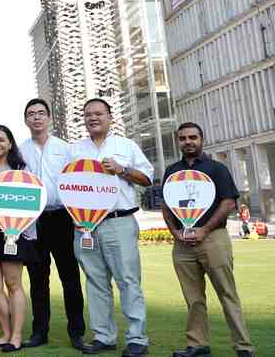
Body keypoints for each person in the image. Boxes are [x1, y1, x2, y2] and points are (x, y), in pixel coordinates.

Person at [70, 98, 154, 357]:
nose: (93, 118)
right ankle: (103, 337)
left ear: (110, 117)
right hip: (85, 226)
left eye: (98, 113)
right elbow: (65, 184)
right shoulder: (74, 149)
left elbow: (147, 178)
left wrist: (122, 169)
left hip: (119, 221)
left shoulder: (125, 146)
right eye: (88, 114)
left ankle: (137, 338)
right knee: (95, 282)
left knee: (128, 280)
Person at [163, 123, 255, 357]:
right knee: (193, 298)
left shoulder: (217, 169)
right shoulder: (172, 171)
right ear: (178, 142)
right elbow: (166, 205)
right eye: (183, 138)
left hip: (213, 239)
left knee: (227, 293)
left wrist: (204, 230)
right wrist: (175, 233)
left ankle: (243, 346)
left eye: (193, 137)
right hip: (182, 243)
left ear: (202, 139)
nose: (188, 142)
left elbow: (228, 203)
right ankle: (197, 345)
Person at [18, 98, 85, 350]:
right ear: (26, 120)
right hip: (33, 221)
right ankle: (39, 332)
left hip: (62, 218)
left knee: (70, 277)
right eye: (31, 113)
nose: (36, 117)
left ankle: (76, 331)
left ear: (49, 118)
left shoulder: (66, 148)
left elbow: (77, 182)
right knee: (37, 279)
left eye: (40, 113)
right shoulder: (20, 150)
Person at [0, 125, 36, 352]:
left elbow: (32, 201)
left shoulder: (21, 169)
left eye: (2, 139)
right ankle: (4, 333)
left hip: (14, 232)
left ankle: (17, 336)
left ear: (10, 143)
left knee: (14, 284)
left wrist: (25, 232)